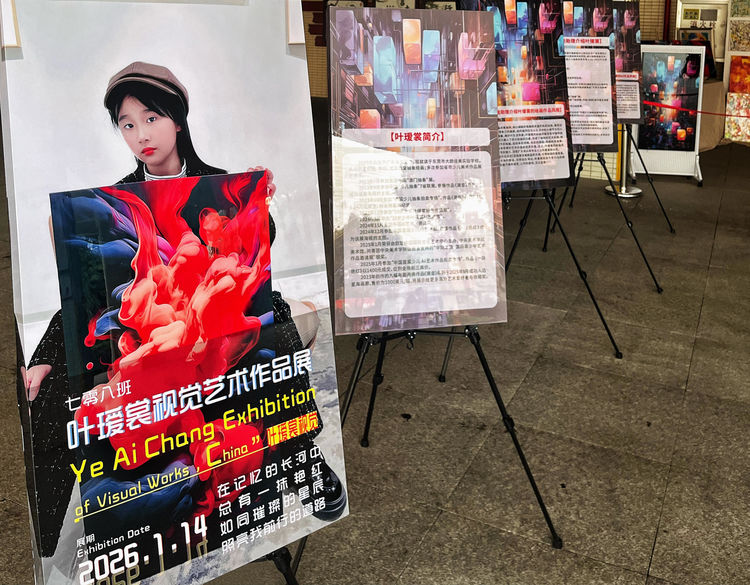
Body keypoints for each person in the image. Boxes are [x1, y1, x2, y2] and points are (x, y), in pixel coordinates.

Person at [25, 62, 345, 561]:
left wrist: (259, 208)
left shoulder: (220, 184)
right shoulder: (115, 201)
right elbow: (86, 295)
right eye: (127, 124)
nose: (141, 135)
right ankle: (54, 533)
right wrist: (46, 353)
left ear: (177, 119)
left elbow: (256, 262)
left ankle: (299, 455)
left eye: (151, 118)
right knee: (51, 389)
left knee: (273, 337)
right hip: (152, 331)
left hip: (223, 318)